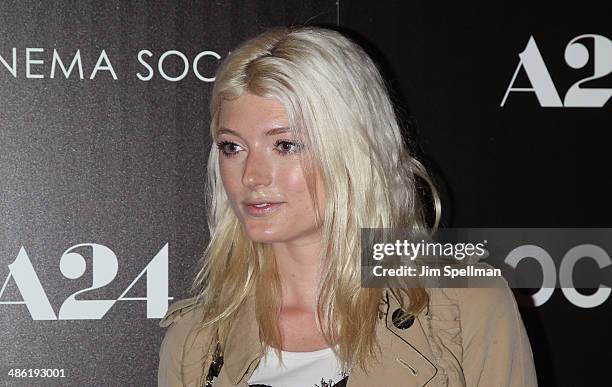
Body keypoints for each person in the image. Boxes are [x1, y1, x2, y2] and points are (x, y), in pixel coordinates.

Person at [157, 26, 537, 387]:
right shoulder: (195, 342)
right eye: (232, 147)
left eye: (286, 145)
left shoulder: (462, 308)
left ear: (352, 151)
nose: (252, 176)